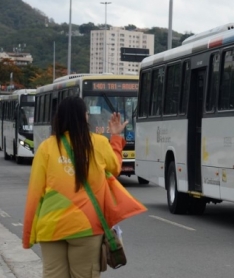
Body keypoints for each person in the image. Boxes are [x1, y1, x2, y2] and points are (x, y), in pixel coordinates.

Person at [22, 96, 146, 278]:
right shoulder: (99, 143)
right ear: (84, 117)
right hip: (86, 227)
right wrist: (116, 138)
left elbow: (35, 193)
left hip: (50, 227)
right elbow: (115, 168)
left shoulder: (46, 148)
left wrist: (27, 236)